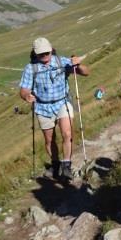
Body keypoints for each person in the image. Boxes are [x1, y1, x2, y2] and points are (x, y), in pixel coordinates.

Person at [19, 37, 89, 180]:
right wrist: (26, 96)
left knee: (67, 134)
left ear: (51, 50)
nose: (45, 56)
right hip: (42, 106)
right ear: (35, 53)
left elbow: (85, 72)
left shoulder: (61, 61)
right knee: (49, 140)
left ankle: (66, 165)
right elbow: (24, 89)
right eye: (41, 54)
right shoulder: (30, 68)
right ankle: (55, 164)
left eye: (47, 52)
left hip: (62, 102)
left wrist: (78, 64)